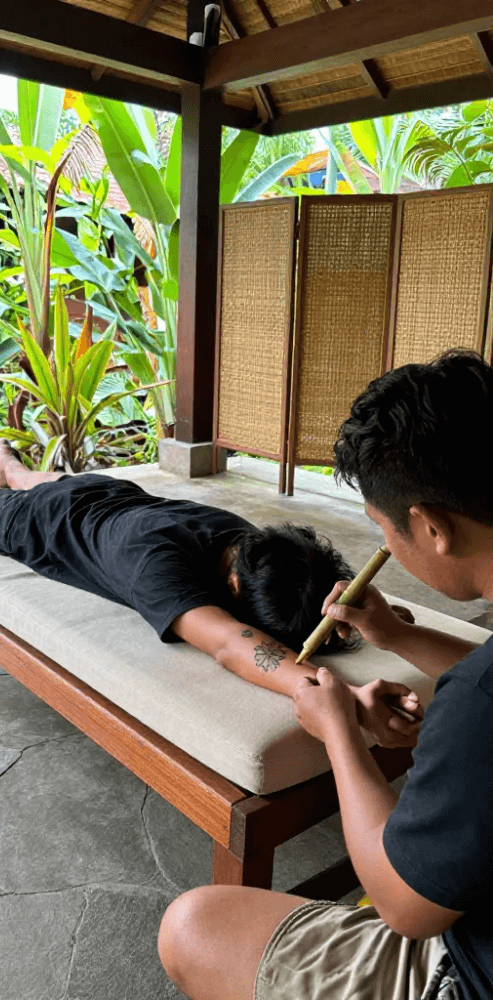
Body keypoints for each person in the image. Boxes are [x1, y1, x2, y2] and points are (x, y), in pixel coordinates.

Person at [158, 348, 493, 1000]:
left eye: (383, 529)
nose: (388, 548)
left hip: (470, 971)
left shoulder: (477, 706)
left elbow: (403, 904)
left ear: (431, 526)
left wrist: (340, 733)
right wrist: (400, 636)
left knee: (193, 926)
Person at [0, 440, 420, 748]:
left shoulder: (253, 543)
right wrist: (346, 696)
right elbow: (231, 645)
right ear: (232, 589)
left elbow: (303, 584)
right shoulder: (158, 570)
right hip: (48, 521)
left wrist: (369, 617)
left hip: (109, 492)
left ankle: (10, 468)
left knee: (49, 481)